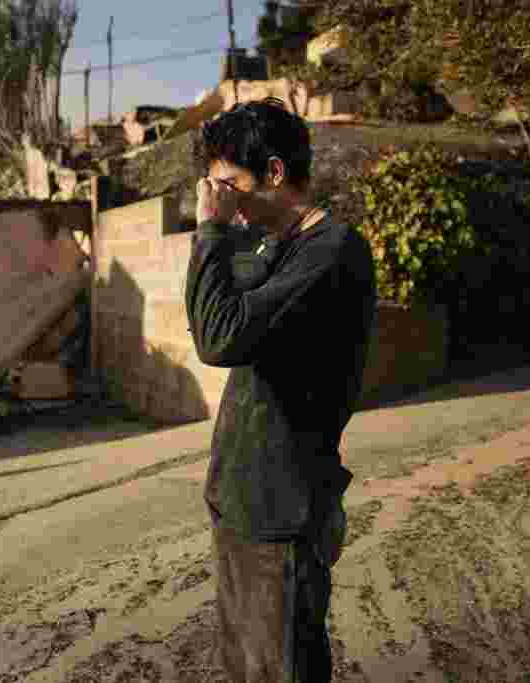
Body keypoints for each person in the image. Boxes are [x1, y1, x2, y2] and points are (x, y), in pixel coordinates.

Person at [185, 97, 377, 682]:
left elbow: (217, 338)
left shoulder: (330, 252)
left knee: (280, 669)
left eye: (230, 185)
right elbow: (215, 311)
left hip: (282, 511)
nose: (224, 200)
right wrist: (226, 235)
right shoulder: (275, 246)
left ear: (273, 172)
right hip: (241, 503)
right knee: (246, 668)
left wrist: (212, 228)